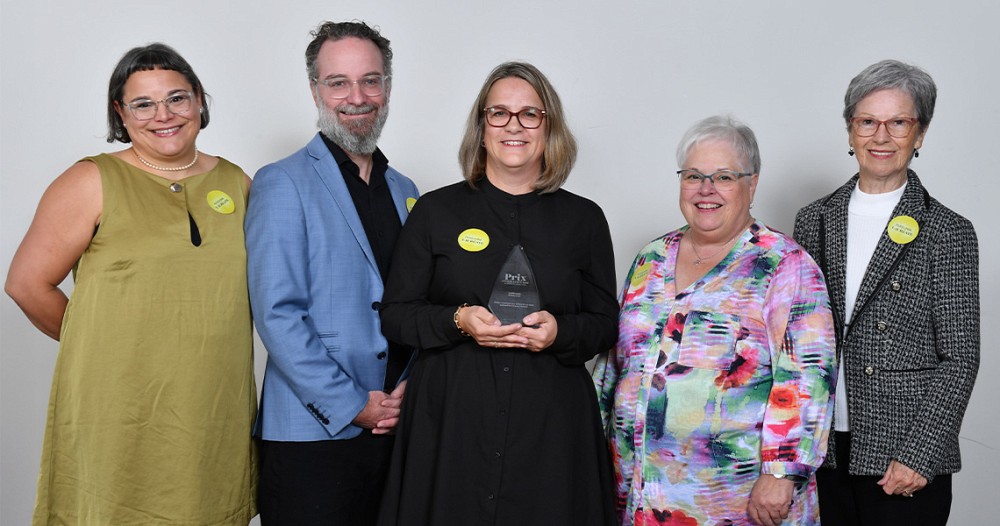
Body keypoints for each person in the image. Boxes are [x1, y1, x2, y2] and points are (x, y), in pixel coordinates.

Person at [5, 43, 257, 525]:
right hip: (119, 401)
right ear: (121, 113)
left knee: (206, 506)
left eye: (177, 98)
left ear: (200, 100)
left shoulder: (237, 182)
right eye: (143, 103)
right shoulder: (91, 180)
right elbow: (25, 284)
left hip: (212, 401)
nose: (163, 115)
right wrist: (103, 344)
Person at [375, 62, 618, 526]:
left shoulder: (584, 219)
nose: (514, 126)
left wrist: (559, 331)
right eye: (499, 113)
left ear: (549, 128)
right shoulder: (435, 211)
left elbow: (606, 323)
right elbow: (397, 315)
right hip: (450, 421)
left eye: (530, 114)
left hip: (550, 427)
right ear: (481, 126)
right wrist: (457, 320)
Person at [594, 115, 837, 526]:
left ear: (752, 184)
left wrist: (782, 472)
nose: (706, 190)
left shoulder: (784, 264)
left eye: (723, 176)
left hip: (734, 501)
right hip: (635, 491)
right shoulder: (650, 258)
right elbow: (613, 364)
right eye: (693, 176)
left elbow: (808, 376)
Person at [245, 20, 419, 525]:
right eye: (338, 82)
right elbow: (277, 314)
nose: (356, 96)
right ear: (315, 90)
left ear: (387, 87)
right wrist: (351, 405)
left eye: (370, 80)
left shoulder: (406, 190)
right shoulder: (281, 183)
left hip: (398, 427)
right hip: (311, 434)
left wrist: (413, 388)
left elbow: (416, 304)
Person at [792, 60, 980, 526]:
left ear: (920, 134)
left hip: (901, 454)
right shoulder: (813, 219)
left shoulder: (948, 231)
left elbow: (960, 357)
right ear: (850, 130)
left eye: (898, 122)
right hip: (822, 450)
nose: (881, 136)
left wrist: (921, 454)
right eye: (867, 121)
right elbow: (796, 338)